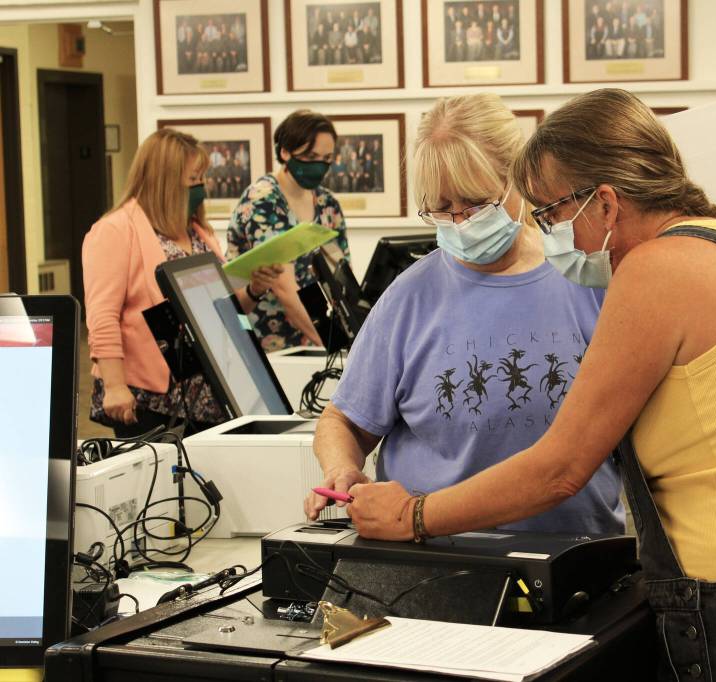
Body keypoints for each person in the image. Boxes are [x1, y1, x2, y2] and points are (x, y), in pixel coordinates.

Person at [343, 89, 716, 681]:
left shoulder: (654, 269)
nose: (549, 236)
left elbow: (560, 468)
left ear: (606, 204)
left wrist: (413, 515)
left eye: (549, 215)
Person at [304, 94, 624, 536]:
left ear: (518, 182)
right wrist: (341, 467)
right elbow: (343, 419)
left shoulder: (585, 278)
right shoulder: (410, 297)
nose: (458, 222)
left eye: (475, 203)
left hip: (572, 554)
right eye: (440, 208)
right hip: (434, 553)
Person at [83, 129, 282, 438]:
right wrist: (114, 385)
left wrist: (254, 289)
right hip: (149, 397)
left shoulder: (197, 232)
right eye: (195, 179)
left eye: (203, 177)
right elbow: (102, 317)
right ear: (164, 180)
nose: (203, 186)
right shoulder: (115, 231)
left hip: (209, 392)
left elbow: (219, 310)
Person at [227, 110, 349, 352]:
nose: (319, 166)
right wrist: (335, 345)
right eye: (310, 156)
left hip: (317, 336)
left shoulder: (326, 203)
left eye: (326, 158)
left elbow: (340, 272)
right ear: (285, 152)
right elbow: (283, 286)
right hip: (273, 343)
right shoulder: (264, 201)